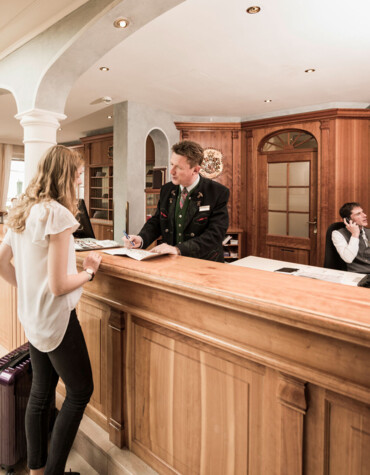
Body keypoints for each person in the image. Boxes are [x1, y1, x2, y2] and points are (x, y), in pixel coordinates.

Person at [0, 145, 102, 475]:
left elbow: (1, 263)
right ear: (65, 177)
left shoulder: (23, 210)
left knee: (41, 392)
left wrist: (28, 289)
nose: (79, 181)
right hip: (56, 320)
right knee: (79, 391)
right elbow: (59, 285)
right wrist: (89, 271)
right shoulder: (57, 215)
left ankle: (37, 469)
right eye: (78, 175)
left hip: (32, 317)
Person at [124, 140, 230, 262]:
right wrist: (141, 238)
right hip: (172, 262)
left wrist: (179, 249)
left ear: (195, 170)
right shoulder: (166, 189)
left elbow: (215, 235)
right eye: (171, 164)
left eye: (178, 167)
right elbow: (158, 220)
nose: (171, 171)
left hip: (205, 263)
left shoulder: (218, 192)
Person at [331, 202, 370, 274]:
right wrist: (355, 234)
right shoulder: (338, 234)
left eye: (362, 212)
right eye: (358, 214)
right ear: (348, 219)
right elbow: (348, 258)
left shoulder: (368, 232)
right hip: (358, 275)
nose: (365, 215)